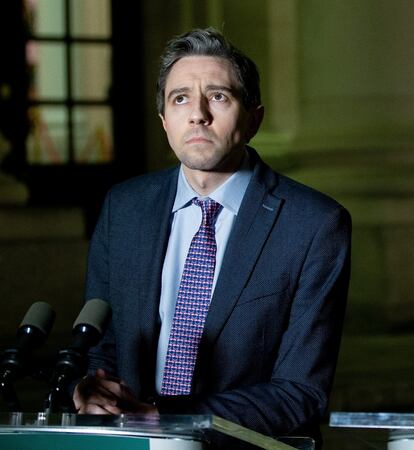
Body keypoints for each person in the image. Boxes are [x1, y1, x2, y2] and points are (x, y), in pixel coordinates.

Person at [72, 28, 351, 445]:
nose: (198, 113)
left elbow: (302, 393)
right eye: (180, 98)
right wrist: (88, 389)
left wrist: (166, 417)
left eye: (219, 96)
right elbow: (100, 348)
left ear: (254, 118)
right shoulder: (124, 208)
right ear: (165, 122)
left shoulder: (314, 224)